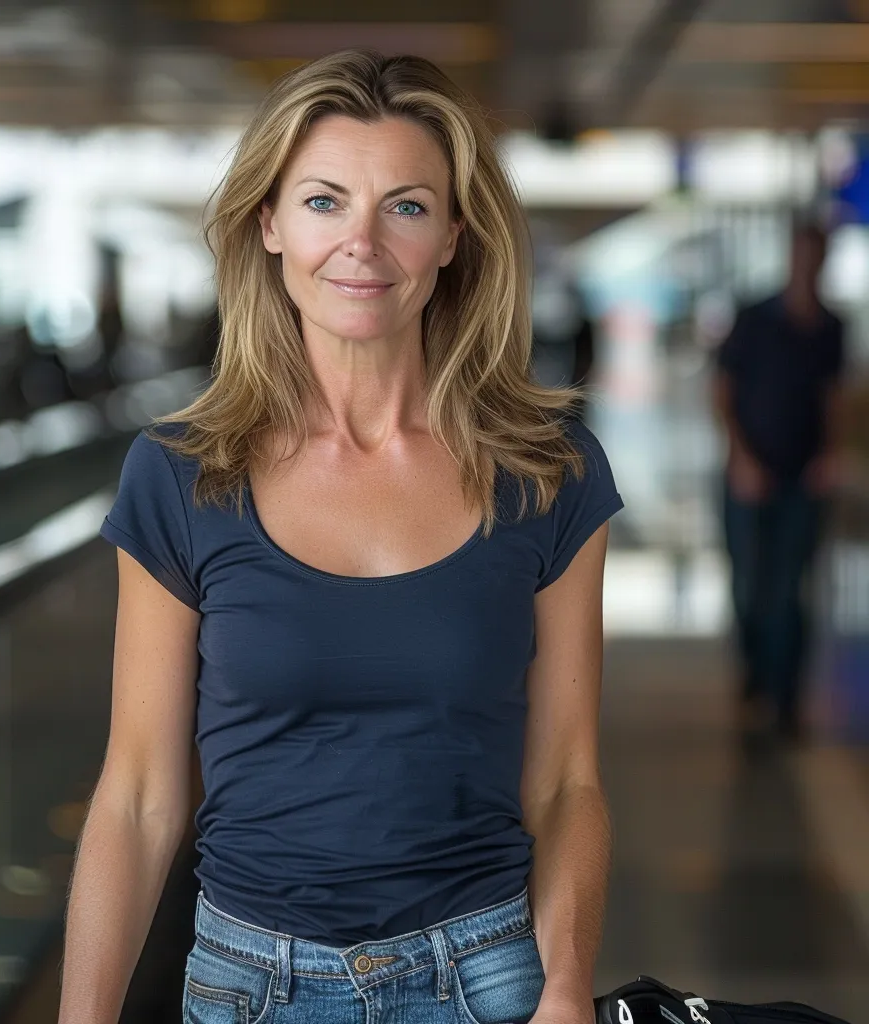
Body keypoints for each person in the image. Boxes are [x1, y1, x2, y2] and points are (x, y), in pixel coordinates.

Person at [58, 49, 623, 1024]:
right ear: (269, 223)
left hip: (485, 979)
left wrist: (565, 987)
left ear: (453, 235)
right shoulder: (182, 475)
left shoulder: (548, 471)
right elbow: (140, 793)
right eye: (324, 201)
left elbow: (569, 780)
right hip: (249, 987)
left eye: (404, 205)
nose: (360, 242)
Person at [714, 222, 846, 740]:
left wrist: (830, 455)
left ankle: (784, 699)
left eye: (816, 256)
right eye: (800, 254)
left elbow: (831, 397)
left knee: (791, 588)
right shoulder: (753, 319)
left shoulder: (830, 327)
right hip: (748, 474)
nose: (806, 266)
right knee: (750, 585)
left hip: (801, 476)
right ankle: (754, 679)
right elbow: (722, 393)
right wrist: (741, 458)